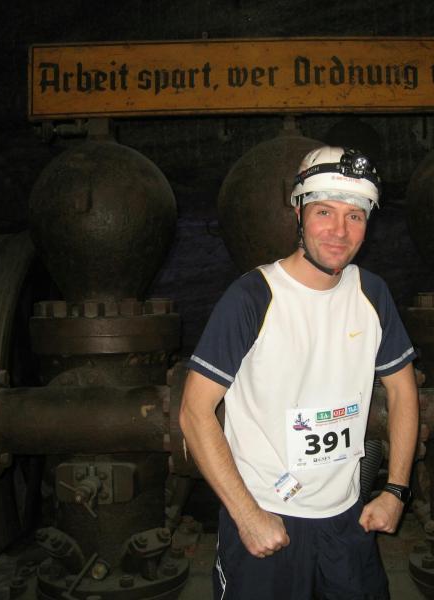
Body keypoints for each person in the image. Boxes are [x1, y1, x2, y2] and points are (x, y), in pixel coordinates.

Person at [179, 146, 419, 599]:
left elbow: (403, 392)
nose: (339, 231)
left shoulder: (372, 294)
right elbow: (194, 411)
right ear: (298, 213)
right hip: (267, 517)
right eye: (324, 211)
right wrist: (247, 515)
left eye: (355, 216)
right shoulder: (253, 297)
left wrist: (396, 490)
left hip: (347, 521)